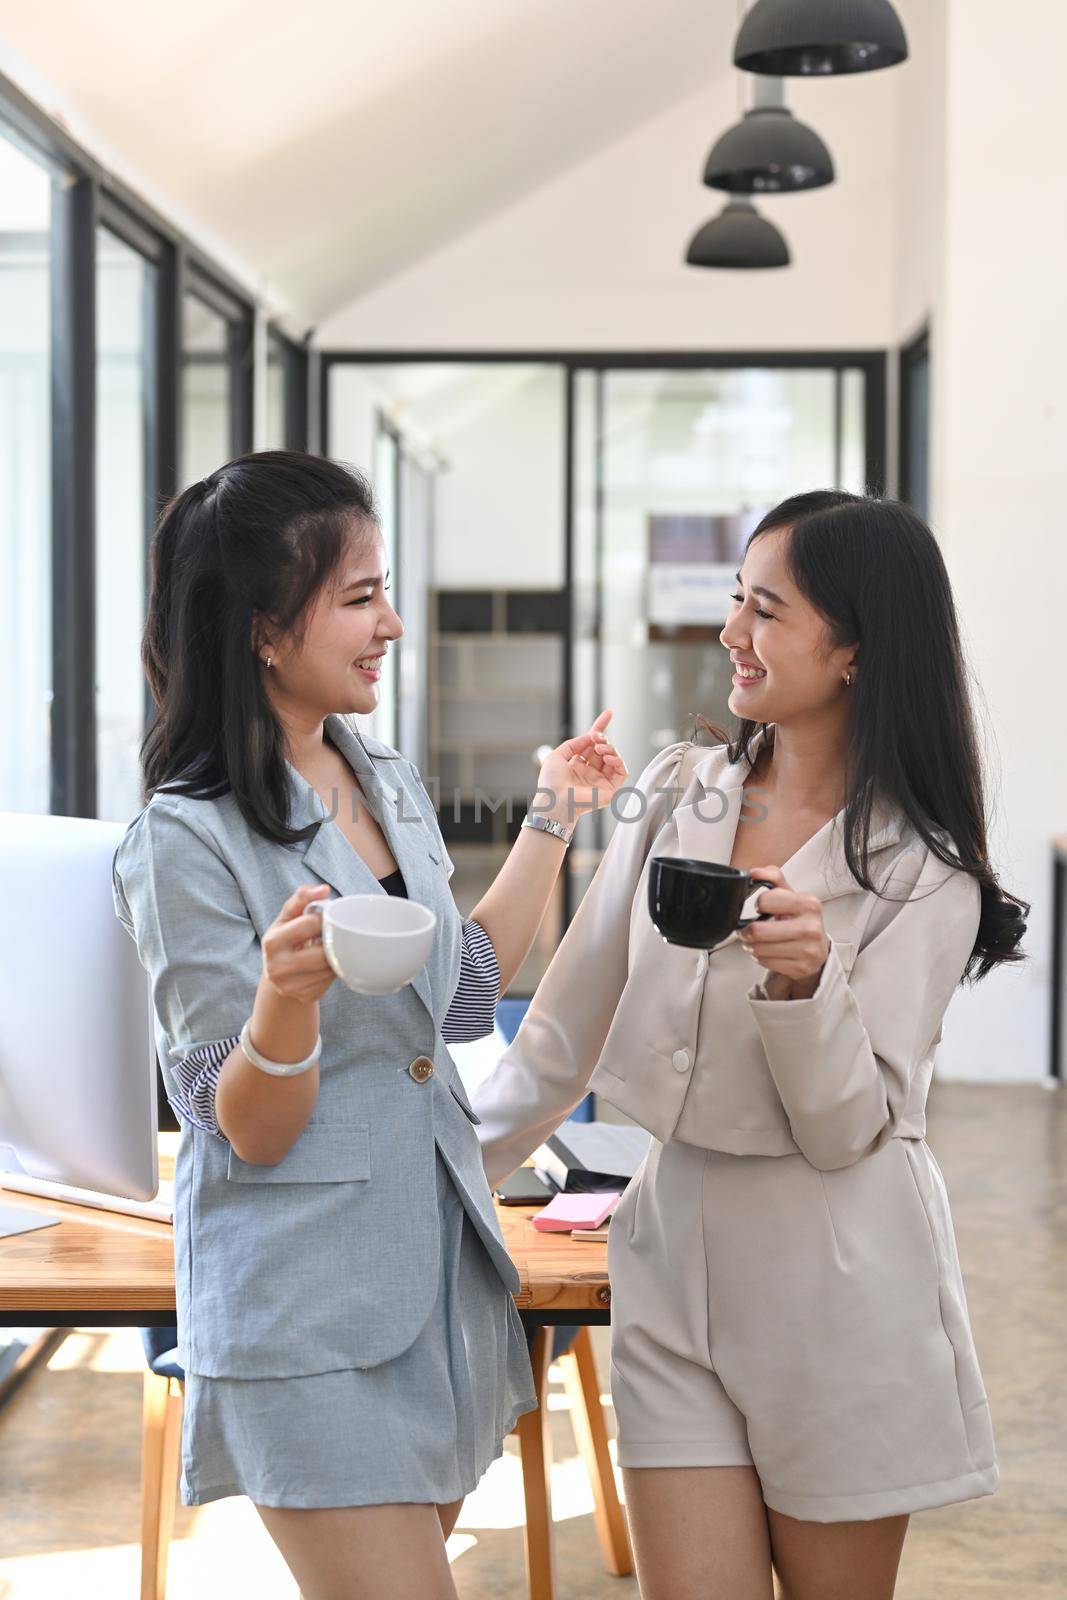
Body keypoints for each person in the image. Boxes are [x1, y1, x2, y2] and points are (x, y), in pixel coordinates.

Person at [472, 490, 1028, 1600]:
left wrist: (804, 982)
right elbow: (561, 1029)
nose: (731, 630)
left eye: (765, 609)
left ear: (856, 650)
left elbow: (843, 1128)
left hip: (839, 1284)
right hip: (670, 1256)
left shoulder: (927, 875)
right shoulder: (680, 793)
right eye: (736, 599)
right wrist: (434, 1170)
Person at [111, 448, 629, 1600]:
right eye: (359, 598)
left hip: (436, 1280)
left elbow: (451, 994)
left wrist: (552, 810)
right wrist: (281, 1005)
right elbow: (240, 1126)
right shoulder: (181, 840)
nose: (391, 622)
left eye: (381, 590)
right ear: (260, 629)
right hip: (305, 1307)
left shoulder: (378, 770)